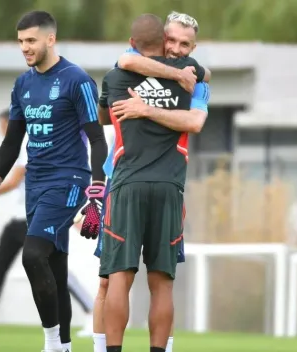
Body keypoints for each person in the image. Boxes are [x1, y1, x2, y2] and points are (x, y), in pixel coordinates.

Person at [0, 11, 107, 352]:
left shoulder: (77, 80)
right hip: (36, 183)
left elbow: (97, 138)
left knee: (32, 255)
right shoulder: (23, 84)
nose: (25, 48)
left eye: (31, 40)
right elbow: (11, 142)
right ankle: (64, 345)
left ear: (50, 39)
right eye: (20, 42)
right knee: (53, 268)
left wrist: (96, 192)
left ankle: (50, 343)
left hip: (69, 181)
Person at [90, 11, 210, 352]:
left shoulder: (117, 76)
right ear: (162, 40)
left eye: (184, 44)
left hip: (126, 186)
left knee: (117, 278)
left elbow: (102, 117)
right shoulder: (191, 83)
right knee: (162, 283)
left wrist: (145, 109)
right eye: (171, 40)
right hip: (169, 188)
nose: (175, 48)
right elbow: (193, 117)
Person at [0, 111, 95, 339]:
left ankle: (91, 312)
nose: (1, 131)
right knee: (0, 265)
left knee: (55, 268)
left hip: (33, 219)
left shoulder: (30, 144)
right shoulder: (23, 145)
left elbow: (12, 183)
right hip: (20, 220)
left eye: (3, 126)